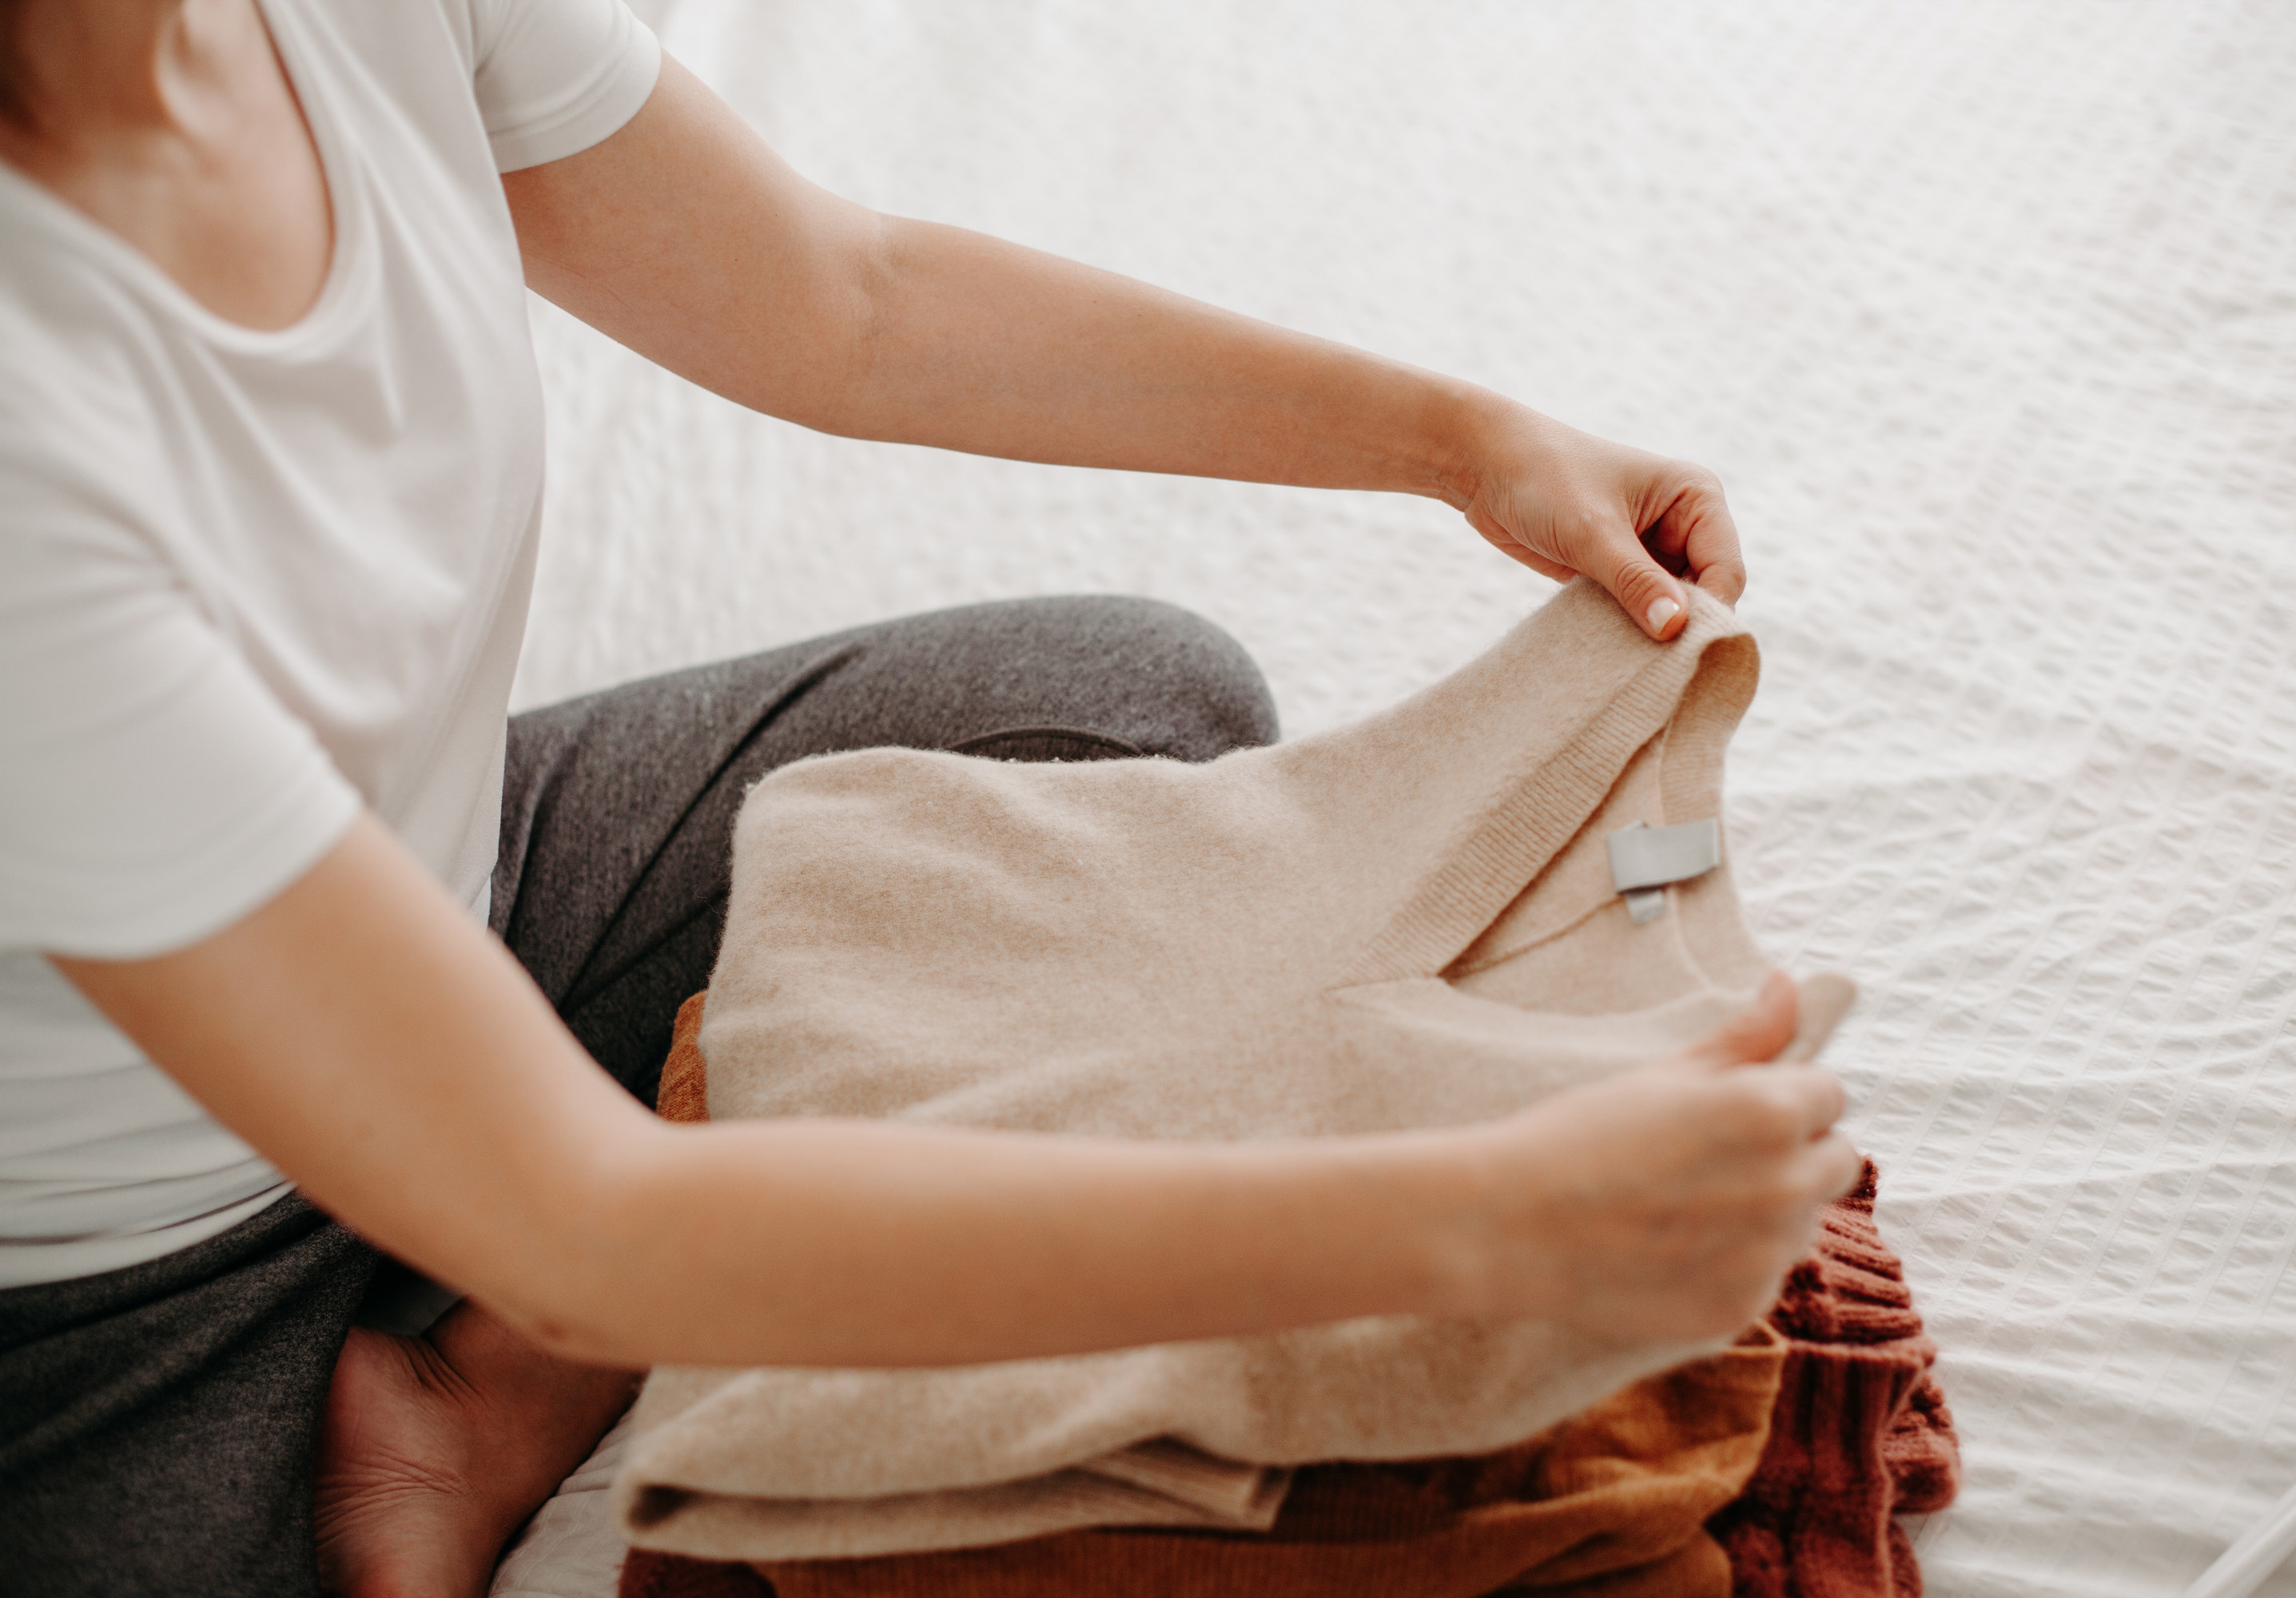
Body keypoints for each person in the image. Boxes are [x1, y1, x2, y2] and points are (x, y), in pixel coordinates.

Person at [0, 2, 1860, 1595]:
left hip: (456, 909)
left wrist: (1462, 442)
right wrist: (1477, 1220)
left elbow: (846, 301)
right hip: (126, 1295)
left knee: (1123, 706)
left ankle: (490, 1387)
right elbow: (582, 1227)